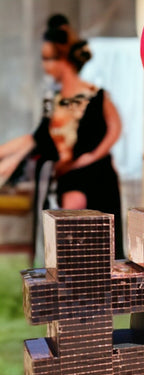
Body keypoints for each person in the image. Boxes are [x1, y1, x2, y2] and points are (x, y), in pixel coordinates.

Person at [0, 14, 124, 259]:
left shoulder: (96, 95)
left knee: (95, 239)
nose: (45, 66)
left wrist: (90, 157)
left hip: (95, 172)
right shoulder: (52, 101)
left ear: (64, 60)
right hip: (67, 173)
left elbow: (115, 129)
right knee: (69, 229)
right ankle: (71, 282)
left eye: (49, 59)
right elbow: (37, 137)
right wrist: (7, 157)